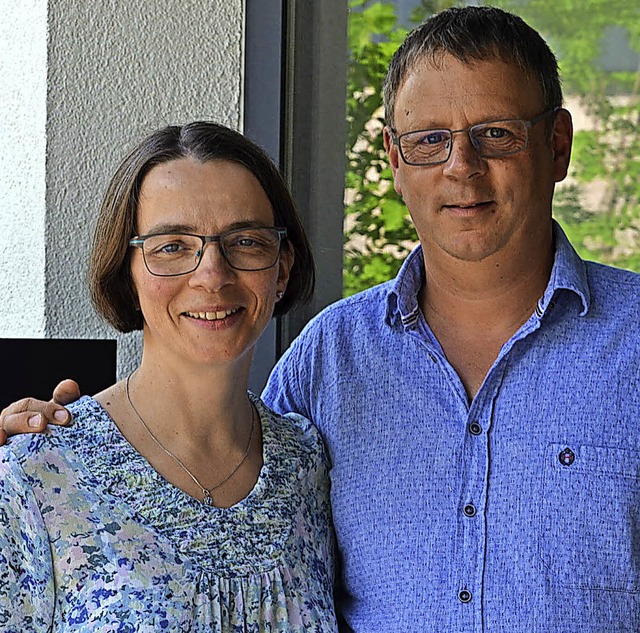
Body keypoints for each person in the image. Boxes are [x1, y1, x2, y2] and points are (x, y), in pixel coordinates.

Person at [3, 6, 640, 632]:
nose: (461, 165)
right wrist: (38, 443)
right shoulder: (330, 358)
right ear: (395, 158)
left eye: (495, 133)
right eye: (429, 140)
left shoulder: (293, 458)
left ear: (556, 145)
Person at [0, 121, 337, 632]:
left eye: (245, 241)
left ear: (281, 268)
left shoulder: (309, 466)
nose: (212, 275)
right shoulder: (38, 474)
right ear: (126, 272)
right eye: (171, 246)